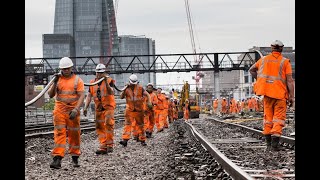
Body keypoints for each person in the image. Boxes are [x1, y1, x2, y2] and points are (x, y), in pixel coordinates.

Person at [249, 40, 295, 151]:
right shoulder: (285, 62)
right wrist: (292, 97)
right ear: (282, 49)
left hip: (267, 94)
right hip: (280, 95)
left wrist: (260, 80)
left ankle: (268, 145)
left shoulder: (263, 59)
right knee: (278, 119)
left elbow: (251, 70)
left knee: (268, 118)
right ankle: (274, 146)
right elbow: (290, 81)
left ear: (271, 48)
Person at [47, 57, 85, 169]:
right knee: (59, 133)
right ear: (61, 69)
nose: (66, 70)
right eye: (64, 69)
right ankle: (57, 158)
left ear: (71, 68)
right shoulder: (57, 80)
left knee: (74, 134)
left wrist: (76, 109)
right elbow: (50, 95)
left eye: (67, 68)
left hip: (73, 112)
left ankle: (75, 157)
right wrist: (54, 82)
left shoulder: (78, 80)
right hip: (60, 111)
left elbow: (82, 96)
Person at [83, 63, 116, 154]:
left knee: (108, 124)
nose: (98, 74)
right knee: (99, 127)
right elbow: (89, 95)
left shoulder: (110, 80)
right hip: (98, 108)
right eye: (97, 72)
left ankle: (109, 145)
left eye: (100, 73)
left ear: (104, 72)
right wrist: (85, 107)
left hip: (108, 107)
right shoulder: (92, 82)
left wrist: (105, 82)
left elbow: (111, 92)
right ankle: (103, 145)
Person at [119, 74, 153, 147]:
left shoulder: (140, 88)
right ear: (129, 81)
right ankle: (125, 140)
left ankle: (143, 140)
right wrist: (124, 88)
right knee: (127, 125)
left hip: (139, 110)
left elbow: (147, 95)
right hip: (130, 110)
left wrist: (149, 102)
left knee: (140, 126)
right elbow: (121, 97)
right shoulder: (126, 88)